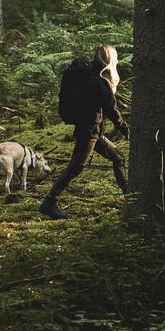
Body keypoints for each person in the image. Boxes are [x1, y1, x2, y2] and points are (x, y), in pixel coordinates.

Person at [39, 43, 129, 220]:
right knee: (75, 167)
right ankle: (48, 203)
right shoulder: (100, 81)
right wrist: (125, 129)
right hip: (89, 133)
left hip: (93, 132)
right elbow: (111, 109)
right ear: (110, 58)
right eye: (115, 57)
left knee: (118, 158)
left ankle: (130, 197)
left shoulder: (92, 76)